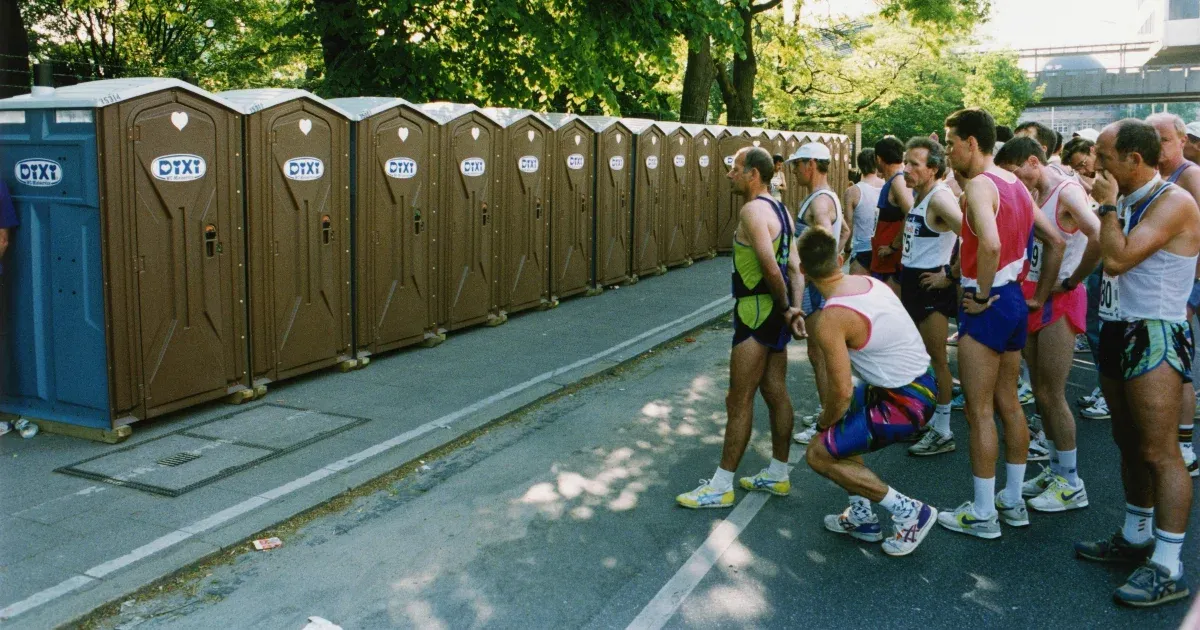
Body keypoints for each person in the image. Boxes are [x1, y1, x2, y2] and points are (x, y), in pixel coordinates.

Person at [1074, 118, 1200, 607]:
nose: (1094, 164)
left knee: (1160, 451)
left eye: (1104, 156)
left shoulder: (1173, 201)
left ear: (1134, 158)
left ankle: (1169, 567)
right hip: (1116, 327)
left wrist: (1104, 205)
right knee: (1127, 440)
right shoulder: (1125, 198)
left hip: (1155, 334)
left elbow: (1118, 259)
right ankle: (1136, 535)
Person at [937, 108, 1066, 540]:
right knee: (1010, 404)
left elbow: (989, 244)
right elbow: (1057, 240)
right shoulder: (1016, 183)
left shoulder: (979, 184)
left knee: (979, 412)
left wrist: (978, 293)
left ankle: (982, 512)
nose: (946, 150)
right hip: (1013, 300)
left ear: (972, 142)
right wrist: (1040, 295)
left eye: (950, 142)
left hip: (988, 300)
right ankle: (1011, 501)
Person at [797, 228, 939, 556]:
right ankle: (862, 517)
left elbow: (842, 390)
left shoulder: (830, 318)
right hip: (922, 383)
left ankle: (910, 511)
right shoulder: (871, 282)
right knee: (842, 422)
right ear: (841, 259)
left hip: (907, 402)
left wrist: (823, 423)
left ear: (803, 271)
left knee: (819, 453)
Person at [677, 147, 804, 509]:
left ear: (752, 174)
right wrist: (794, 310)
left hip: (756, 313)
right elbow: (796, 269)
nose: (729, 175)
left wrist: (784, 309)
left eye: (735, 168)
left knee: (738, 398)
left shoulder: (752, 211)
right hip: (776, 313)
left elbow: (770, 267)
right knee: (776, 392)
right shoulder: (782, 209)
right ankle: (779, 474)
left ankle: (720, 487)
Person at [996, 137, 1101, 512]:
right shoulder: (1033, 193)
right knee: (1040, 392)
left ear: (1032, 161)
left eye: (1014, 173)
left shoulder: (1066, 190)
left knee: (1053, 393)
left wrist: (1073, 280)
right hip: (1034, 295)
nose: (1012, 181)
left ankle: (1072, 483)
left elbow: (1098, 234)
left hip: (1061, 299)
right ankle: (1057, 468)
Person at [895, 136, 963, 457]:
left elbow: (972, 234)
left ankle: (944, 430)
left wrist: (949, 274)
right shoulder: (923, 195)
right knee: (920, 360)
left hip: (930, 287)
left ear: (933, 169)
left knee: (937, 360)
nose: (905, 169)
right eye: (905, 162)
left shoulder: (939, 199)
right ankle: (928, 418)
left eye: (913, 164)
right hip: (913, 284)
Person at [1146, 113, 1200, 478]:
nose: (1158, 146)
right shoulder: (1163, 179)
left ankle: (1184, 446)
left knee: (1178, 365)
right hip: (1173, 284)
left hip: (1186, 284)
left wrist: (1190, 285)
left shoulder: (1190, 176)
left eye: (1164, 139)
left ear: (1182, 139)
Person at [787, 142, 847, 446]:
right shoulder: (828, 196)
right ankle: (829, 412)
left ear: (811, 164)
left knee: (819, 354)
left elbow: (824, 234)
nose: (794, 171)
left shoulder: (820, 202)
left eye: (797, 164)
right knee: (821, 354)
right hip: (822, 284)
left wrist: (819, 271)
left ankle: (827, 422)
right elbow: (845, 230)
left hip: (816, 288)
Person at [871, 136, 912, 294]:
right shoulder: (894, 181)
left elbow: (910, 212)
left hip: (891, 265)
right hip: (883, 262)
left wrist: (893, 246)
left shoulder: (898, 181)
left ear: (879, 159)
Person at [844, 149, 883, 276]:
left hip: (861, 249)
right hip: (882, 248)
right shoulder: (888, 186)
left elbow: (847, 225)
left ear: (859, 165)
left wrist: (847, 249)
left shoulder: (852, 191)